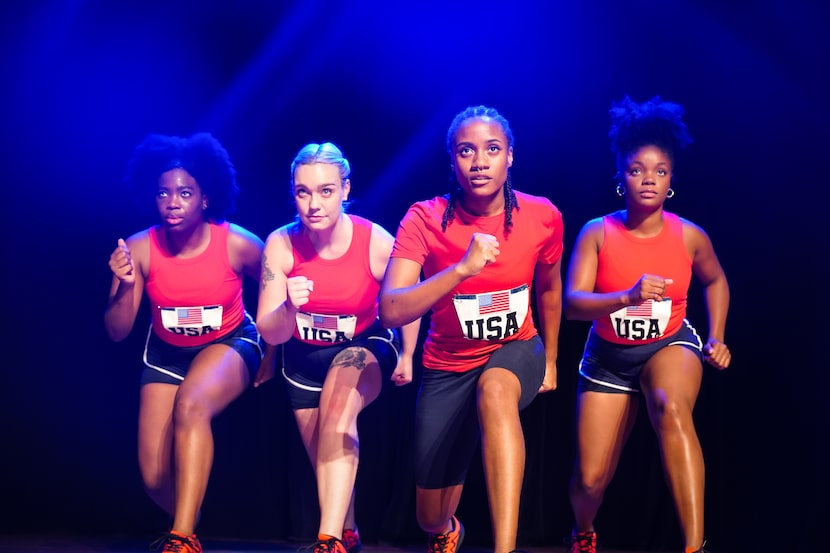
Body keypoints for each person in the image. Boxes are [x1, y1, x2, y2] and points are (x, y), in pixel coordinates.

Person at [379, 105, 564, 553]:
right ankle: (447, 531)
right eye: (467, 151)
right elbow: (390, 309)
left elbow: (550, 291)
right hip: (446, 365)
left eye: (492, 149)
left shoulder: (542, 217)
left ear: (510, 157)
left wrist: (553, 360)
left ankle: (504, 548)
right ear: (453, 160)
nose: (479, 161)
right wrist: (460, 270)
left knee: (496, 391)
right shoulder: (425, 218)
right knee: (428, 515)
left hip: (516, 349)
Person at [564, 96, 731, 553]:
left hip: (669, 344)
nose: (649, 179)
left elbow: (716, 281)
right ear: (620, 174)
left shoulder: (690, 235)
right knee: (591, 480)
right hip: (607, 360)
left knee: (670, 408)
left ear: (671, 179)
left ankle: (694, 546)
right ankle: (583, 532)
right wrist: (627, 296)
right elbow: (573, 305)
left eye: (659, 171)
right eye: (637, 169)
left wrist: (716, 335)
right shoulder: (596, 232)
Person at [104, 133, 274, 553]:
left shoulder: (238, 243)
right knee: (154, 478)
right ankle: (188, 515)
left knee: (191, 405)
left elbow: (280, 296)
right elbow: (116, 331)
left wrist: (275, 351)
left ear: (205, 198)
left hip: (231, 343)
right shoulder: (139, 248)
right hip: (165, 356)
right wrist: (126, 287)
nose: (173, 202)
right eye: (164, 193)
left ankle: (181, 538)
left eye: (185, 192)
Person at [254, 142, 420, 553]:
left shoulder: (375, 242)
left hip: (362, 347)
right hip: (301, 362)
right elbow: (270, 332)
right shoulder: (280, 244)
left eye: (326, 191)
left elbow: (409, 300)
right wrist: (289, 304)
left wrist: (409, 354)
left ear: (346, 189)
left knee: (337, 415)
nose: (313, 204)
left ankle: (326, 542)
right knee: (325, 462)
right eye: (303, 192)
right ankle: (347, 531)